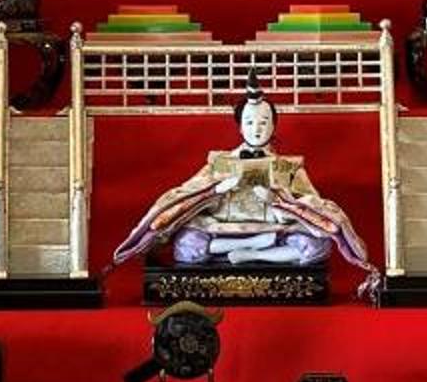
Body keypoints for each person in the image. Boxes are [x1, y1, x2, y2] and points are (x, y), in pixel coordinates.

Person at [112, 89, 376, 278]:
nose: (257, 128)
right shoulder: (219, 162)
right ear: (239, 126)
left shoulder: (289, 166)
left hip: (274, 229)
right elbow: (185, 193)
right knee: (187, 247)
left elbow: (314, 203)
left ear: (274, 126)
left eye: (264, 122)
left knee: (317, 247)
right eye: (249, 122)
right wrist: (215, 190)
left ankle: (253, 254)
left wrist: (279, 201)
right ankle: (249, 246)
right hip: (221, 229)